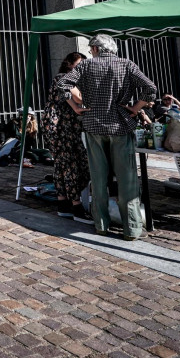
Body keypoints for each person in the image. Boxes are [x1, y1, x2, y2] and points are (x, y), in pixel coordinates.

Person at [61, 34, 158, 241]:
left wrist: (77, 107)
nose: (90, 52)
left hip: (93, 124)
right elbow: (151, 88)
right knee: (127, 179)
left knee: (98, 177)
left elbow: (63, 85)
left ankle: (101, 224)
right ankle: (131, 228)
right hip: (120, 125)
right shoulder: (126, 64)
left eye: (90, 49)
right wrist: (135, 108)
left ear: (96, 48)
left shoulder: (86, 66)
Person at [47, 52, 91, 223]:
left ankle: (63, 204)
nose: (81, 68)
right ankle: (76, 206)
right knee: (72, 163)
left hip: (63, 124)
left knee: (62, 164)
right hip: (61, 125)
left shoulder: (66, 79)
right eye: (79, 64)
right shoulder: (63, 77)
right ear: (69, 64)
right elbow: (78, 98)